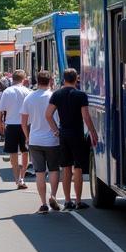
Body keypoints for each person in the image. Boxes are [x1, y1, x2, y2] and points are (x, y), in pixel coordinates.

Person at [47, 68, 98, 209]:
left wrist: (55, 130)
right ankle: (78, 201)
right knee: (79, 168)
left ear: (64, 79)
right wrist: (93, 132)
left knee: (66, 168)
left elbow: (48, 114)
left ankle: (68, 201)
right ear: (77, 79)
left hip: (64, 134)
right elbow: (86, 117)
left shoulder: (56, 95)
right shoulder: (81, 95)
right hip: (77, 134)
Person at [22, 70, 61, 213]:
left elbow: (23, 121)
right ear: (51, 80)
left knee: (39, 173)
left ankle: (43, 203)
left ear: (37, 81)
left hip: (35, 139)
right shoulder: (54, 96)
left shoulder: (29, 97)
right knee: (54, 169)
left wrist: (27, 136)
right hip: (52, 139)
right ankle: (54, 196)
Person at [0, 70, 32, 188]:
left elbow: (0, 110)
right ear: (24, 79)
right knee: (25, 152)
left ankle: (17, 179)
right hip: (25, 124)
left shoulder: (7, 91)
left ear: (13, 79)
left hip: (11, 125)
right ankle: (22, 177)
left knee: (13, 153)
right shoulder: (28, 91)